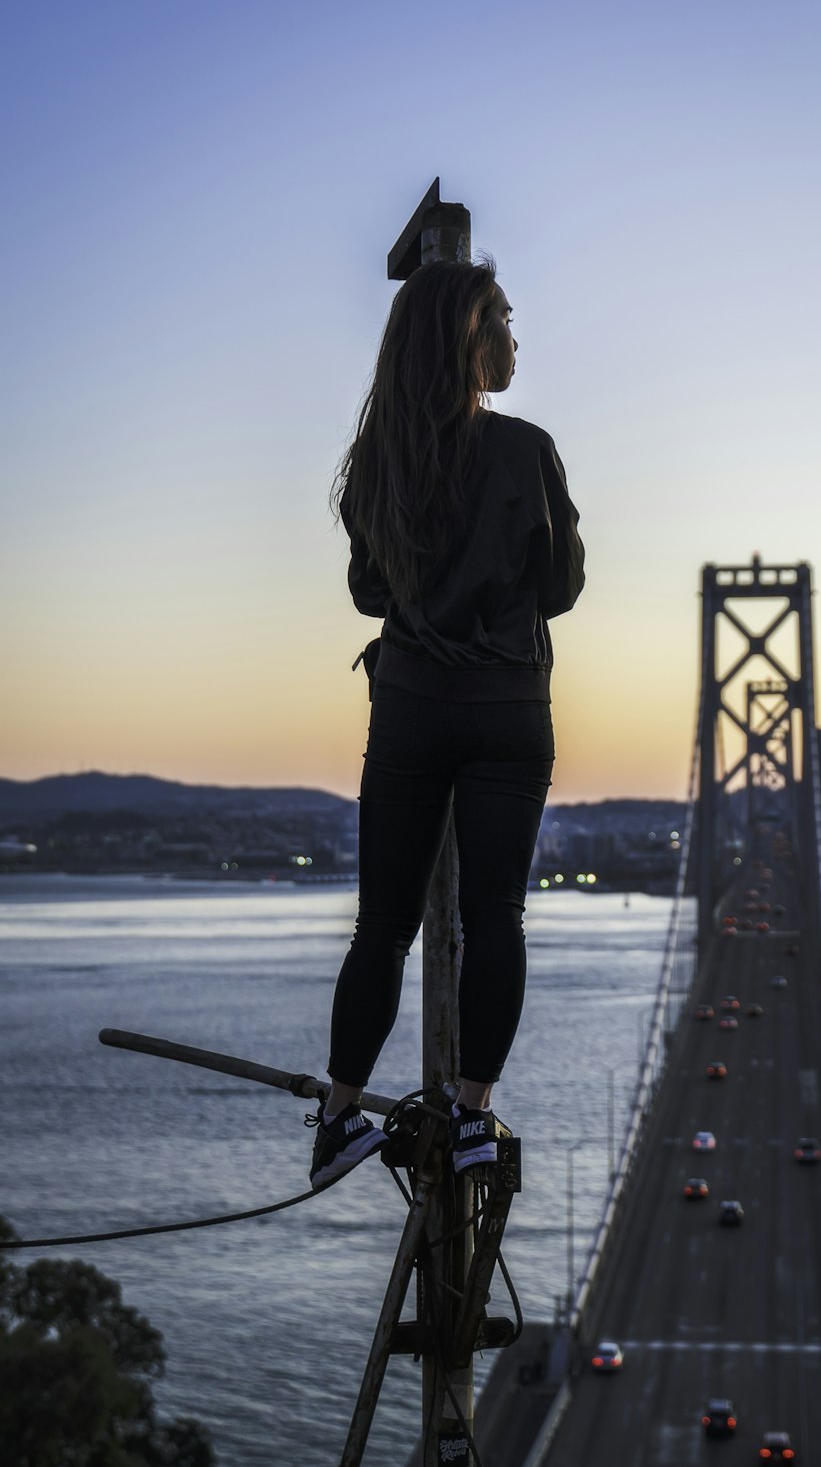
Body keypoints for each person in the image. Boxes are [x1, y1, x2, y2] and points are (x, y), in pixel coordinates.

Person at [309, 257, 585, 1189]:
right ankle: (472, 1119)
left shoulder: (377, 460)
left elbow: (367, 593)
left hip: (413, 710)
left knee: (381, 927)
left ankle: (340, 1118)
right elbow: (563, 588)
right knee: (494, 916)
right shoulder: (526, 450)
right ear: (469, 339)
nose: (515, 337)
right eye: (503, 319)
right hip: (510, 708)